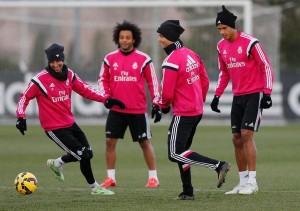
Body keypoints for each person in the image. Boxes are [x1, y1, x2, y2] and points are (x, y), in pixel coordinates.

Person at [16, 43, 125, 195]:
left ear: (63, 59)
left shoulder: (69, 75)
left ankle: (56, 163)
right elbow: (24, 97)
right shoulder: (40, 80)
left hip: (70, 123)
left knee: (88, 153)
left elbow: (86, 89)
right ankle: (95, 188)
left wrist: (106, 99)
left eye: (58, 61)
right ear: (48, 62)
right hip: (54, 128)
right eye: (52, 62)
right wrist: (21, 116)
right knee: (83, 155)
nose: (55, 65)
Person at [156, 20, 231, 200]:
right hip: (196, 111)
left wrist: (164, 106)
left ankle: (218, 165)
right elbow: (204, 80)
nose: (160, 40)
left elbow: (166, 92)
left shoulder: (171, 60)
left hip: (183, 113)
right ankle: (187, 192)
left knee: (175, 153)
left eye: (162, 36)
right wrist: (199, 99)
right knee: (183, 152)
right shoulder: (191, 54)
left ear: (172, 38)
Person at [211, 6, 274, 195]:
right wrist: (217, 95)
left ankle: (253, 182)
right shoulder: (220, 46)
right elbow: (224, 73)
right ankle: (242, 181)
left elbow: (266, 66)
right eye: (219, 29)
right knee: (236, 138)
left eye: (224, 28)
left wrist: (267, 92)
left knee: (247, 134)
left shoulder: (250, 42)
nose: (222, 32)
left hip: (254, 94)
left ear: (232, 26)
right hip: (237, 96)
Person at [98, 20, 161, 188]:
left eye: (128, 37)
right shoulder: (110, 59)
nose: (124, 40)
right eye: (121, 37)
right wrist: (106, 97)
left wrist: (156, 103)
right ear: (117, 39)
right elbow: (102, 80)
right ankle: (110, 178)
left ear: (134, 40)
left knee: (144, 142)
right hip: (116, 109)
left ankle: (153, 178)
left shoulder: (143, 59)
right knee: (109, 141)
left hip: (137, 110)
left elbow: (153, 82)